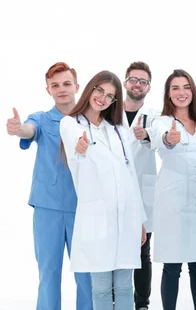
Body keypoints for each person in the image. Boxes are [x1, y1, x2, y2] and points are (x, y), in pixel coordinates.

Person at [5, 62, 93, 310]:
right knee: (48, 274)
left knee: (86, 276)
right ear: (48, 90)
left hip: (83, 208)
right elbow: (28, 130)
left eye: (66, 84)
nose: (61, 89)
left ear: (77, 86)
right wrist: (17, 129)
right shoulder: (41, 119)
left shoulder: (89, 121)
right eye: (55, 85)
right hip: (48, 208)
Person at [59, 70, 147, 310]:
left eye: (110, 96)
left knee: (125, 285)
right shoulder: (71, 124)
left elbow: (131, 176)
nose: (103, 98)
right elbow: (76, 145)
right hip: (97, 216)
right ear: (90, 89)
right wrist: (81, 146)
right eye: (100, 91)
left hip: (126, 215)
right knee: (100, 287)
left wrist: (139, 219)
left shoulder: (118, 129)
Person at [150, 69, 196, 310]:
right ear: (168, 94)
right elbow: (159, 137)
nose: (181, 92)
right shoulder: (162, 121)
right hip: (173, 204)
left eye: (186, 87)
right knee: (172, 265)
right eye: (175, 88)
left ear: (193, 91)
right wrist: (168, 138)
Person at [121, 61, 161, 310]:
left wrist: (147, 135)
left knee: (142, 250)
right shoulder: (110, 111)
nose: (137, 85)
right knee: (115, 248)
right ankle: (117, 299)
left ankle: (142, 303)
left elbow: (160, 137)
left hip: (143, 189)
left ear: (149, 87)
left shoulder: (154, 116)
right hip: (115, 189)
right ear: (125, 82)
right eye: (133, 80)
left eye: (143, 81)